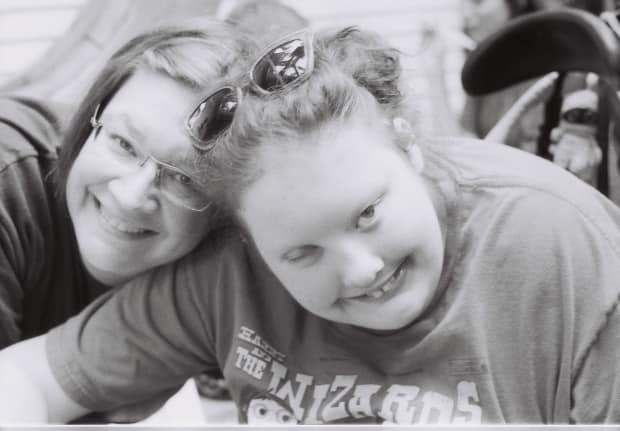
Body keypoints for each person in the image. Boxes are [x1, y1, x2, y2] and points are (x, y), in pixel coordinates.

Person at [2, 25, 620, 425]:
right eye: (301, 253)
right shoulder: (224, 269)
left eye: (368, 213)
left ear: (408, 145)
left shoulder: (560, 245)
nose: (362, 270)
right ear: (244, 239)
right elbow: (30, 378)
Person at [0, 17, 253, 375]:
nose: (132, 196)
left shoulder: (232, 266)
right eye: (123, 143)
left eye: (184, 178)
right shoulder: (8, 181)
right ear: (90, 118)